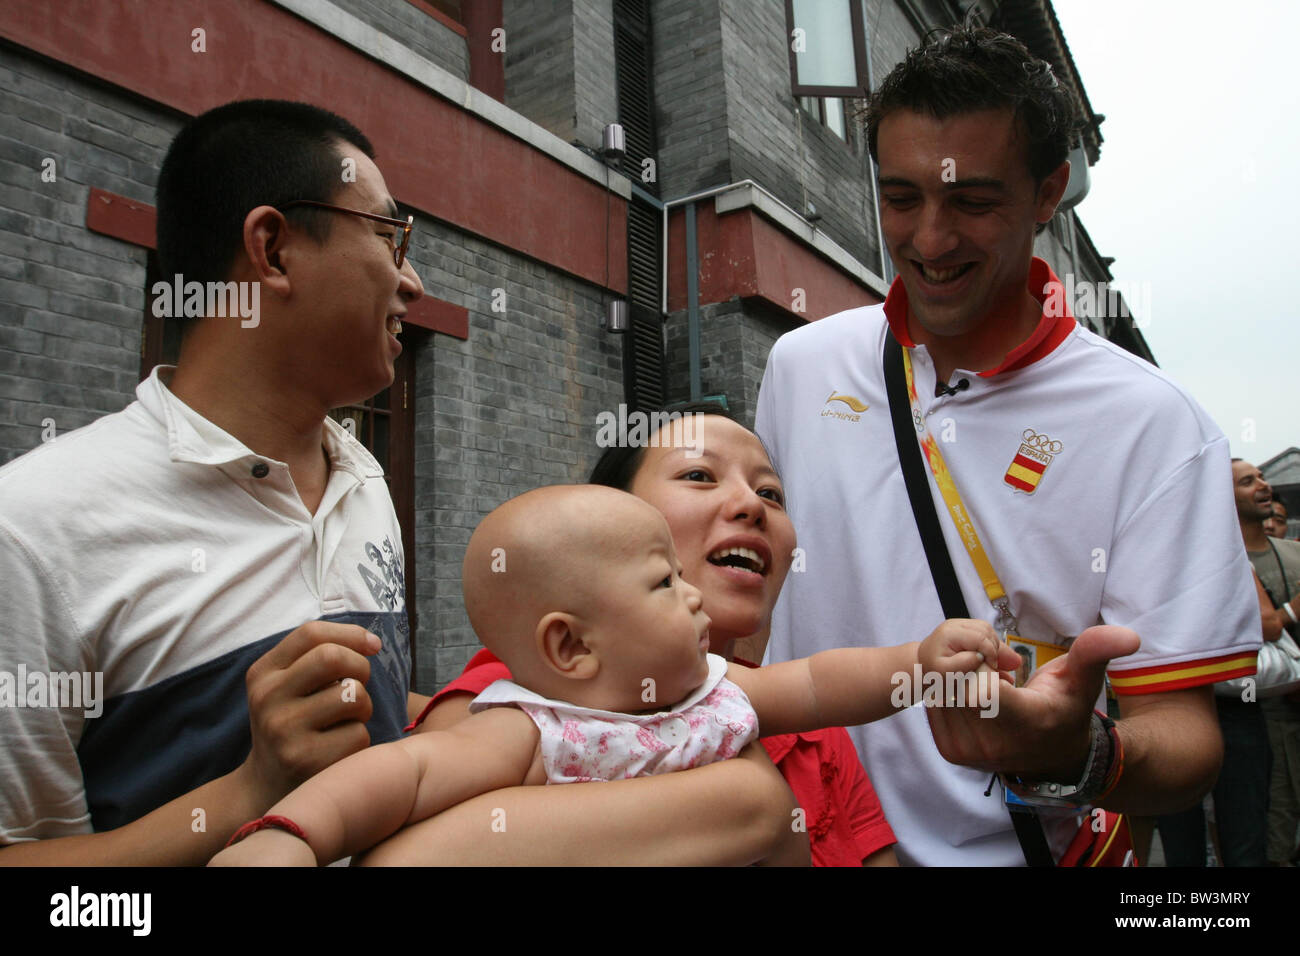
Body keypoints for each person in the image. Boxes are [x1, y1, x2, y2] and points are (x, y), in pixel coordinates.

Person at [755, 26, 1260, 865]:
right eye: (902, 198)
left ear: (1048, 191)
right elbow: (752, 613)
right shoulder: (802, 364)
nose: (931, 239)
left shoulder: (1153, 423)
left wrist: (1076, 755)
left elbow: (1185, 746)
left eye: (974, 202)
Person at [0, 100, 429, 863]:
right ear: (273, 248)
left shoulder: (364, 480)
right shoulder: (32, 528)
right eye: (391, 236)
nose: (414, 283)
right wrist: (244, 792)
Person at [211, 484, 1013, 865]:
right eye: (665, 582)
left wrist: (917, 665)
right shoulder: (528, 731)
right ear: (571, 649)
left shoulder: (712, 694)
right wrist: (290, 838)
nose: (692, 593)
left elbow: (815, 686)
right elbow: (403, 771)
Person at [361, 408, 897, 866]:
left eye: (771, 493)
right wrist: (752, 807)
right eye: (699, 475)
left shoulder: (818, 732)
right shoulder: (521, 696)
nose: (751, 505)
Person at [1155, 459, 1281, 866]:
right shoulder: (1140, 556)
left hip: (1234, 705)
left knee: (1246, 838)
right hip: (1163, 707)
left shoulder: (1228, 556)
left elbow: (1269, 626)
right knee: (1181, 844)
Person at [1233, 460, 1300, 865]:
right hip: (1262, 712)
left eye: (1261, 477)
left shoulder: (1293, 553)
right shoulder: (1219, 563)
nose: (1263, 485)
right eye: (1247, 481)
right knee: (1272, 818)